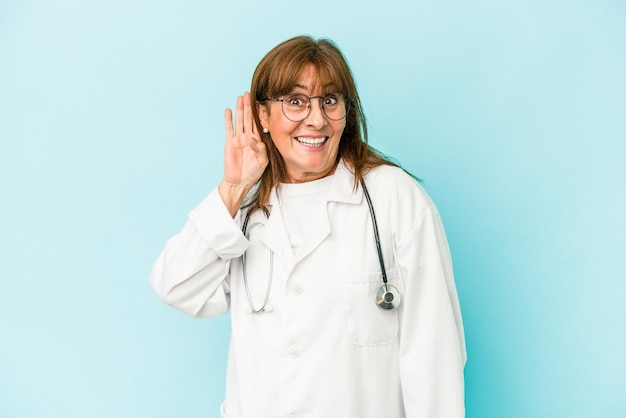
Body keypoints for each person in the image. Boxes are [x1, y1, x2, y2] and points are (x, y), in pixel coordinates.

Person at [149, 35, 466, 418]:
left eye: (330, 101)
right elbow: (176, 286)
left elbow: (435, 358)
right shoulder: (246, 207)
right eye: (295, 102)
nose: (316, 119)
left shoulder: (394, 198)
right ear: (263, 116)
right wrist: (232, 189)